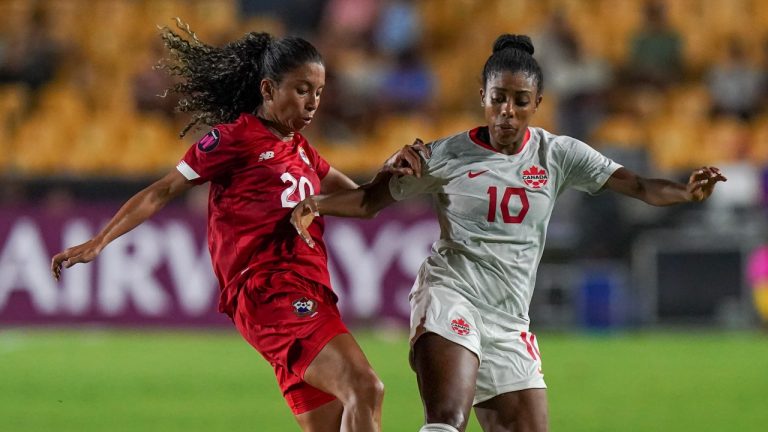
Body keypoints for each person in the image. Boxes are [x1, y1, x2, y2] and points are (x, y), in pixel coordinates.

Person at [290, 34, 727, 432]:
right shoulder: (443, 155)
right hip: (451, 294)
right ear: (483, 95)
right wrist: (316, 203)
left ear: (537, 102)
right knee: (447, 420)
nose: (507, 111)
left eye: (520, 101)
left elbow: (640, 186)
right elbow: (369, 200)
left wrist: (686, 192)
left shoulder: (558, 154)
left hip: (509, 319)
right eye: (498, 98)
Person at [50, 20, 425, 432]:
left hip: (306, 289)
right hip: (270, 289)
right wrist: (100, 241)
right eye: (302, 90)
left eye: (318, 91)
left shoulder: (301, 151)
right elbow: (164, 189)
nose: (313, 102)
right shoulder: (234, 139)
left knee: (341, 418)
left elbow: (366, 202)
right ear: (267, 90)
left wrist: (391, 173)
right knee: (365, 388)